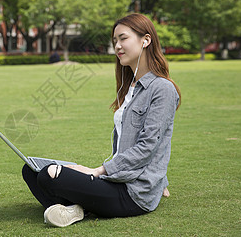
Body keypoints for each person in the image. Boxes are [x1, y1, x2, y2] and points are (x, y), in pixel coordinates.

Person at [22, 13, 181, 227]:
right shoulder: (129, 87)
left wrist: (97, 171)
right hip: (114, 179)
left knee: (48, 176)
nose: (117, 46)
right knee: (31, 171)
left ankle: (78, 207)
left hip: (133, 192)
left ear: (146, 40)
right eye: (115, 41)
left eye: (123, 38)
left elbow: (149, 146)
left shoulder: (162, 89)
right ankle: (78, 209)